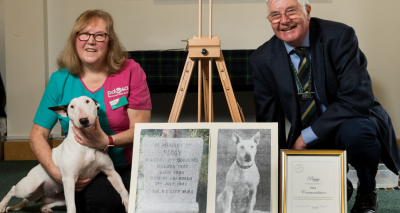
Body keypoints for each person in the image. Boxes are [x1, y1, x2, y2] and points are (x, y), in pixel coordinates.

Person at [251, 0, 400, 212]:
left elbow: (356, 98)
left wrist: (305, 138)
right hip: (306, 129)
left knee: (359, 134)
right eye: (275, 15)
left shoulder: (339, 36)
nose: (283, 20)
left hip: (349, 120)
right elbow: (269, 121)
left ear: (308, 11)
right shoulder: (262, 58)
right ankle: (340, 185)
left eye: (291, 11)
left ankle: (367, 192)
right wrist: (274, 174)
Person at [29, 10, 152, 213]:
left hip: (125, 164)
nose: (91, 41)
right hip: (85, 169)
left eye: (99, 35)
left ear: (110, 41)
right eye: (83, 34)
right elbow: (37, 135)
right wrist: (57, 173)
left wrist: (107, 141)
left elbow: (141, 129)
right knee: (103, 204)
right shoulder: (60, 79)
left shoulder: (131, 70)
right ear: (75, 39)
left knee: (158, 200)